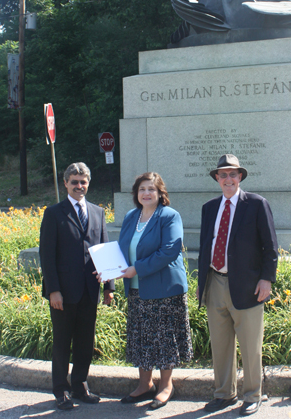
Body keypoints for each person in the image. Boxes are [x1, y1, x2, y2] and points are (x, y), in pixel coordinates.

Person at [197, 154, 278, 416]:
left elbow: (271, 247)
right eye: (223, 175)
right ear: (217, 179)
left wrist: (267, 278)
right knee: (220, 346)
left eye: (233, 174)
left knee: (250, 346)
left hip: (247, 285)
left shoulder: (256, 204)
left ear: (240, 177)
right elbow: (205, 248)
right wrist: (202, 283)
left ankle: (253, 395)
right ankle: (224, 394)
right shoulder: (209, 208)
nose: (228, 179)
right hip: (215, 283)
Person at [104, 172, 193, 409]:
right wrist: (109, 269)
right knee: (141, 338)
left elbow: (169, 251)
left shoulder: (169, 216)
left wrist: (136, 269)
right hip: (136, 290)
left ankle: (166, 387)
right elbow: (123, 250)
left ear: (160, 193)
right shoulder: (132, 216)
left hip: (164, 289)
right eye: (142, 189)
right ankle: (145, 385)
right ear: (136, 193)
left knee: (164, 339)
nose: (146, 193)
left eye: (151, 189)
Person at [39, 162, 113, 411]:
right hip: (63, 292)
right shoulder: (53, 213)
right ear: (66, 183)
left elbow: (104, 250)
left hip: (89, 290)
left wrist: (109, 287)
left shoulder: (98, 212)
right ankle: (61, 390)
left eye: (83, 182)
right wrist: (53, 290)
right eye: (74, 182)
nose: (79, 186)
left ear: (88, 183)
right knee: (62, 342)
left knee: (84, 341)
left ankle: (80, 385)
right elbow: (47, 255)